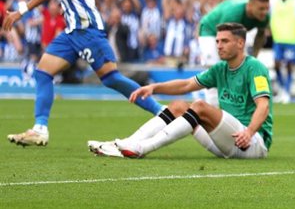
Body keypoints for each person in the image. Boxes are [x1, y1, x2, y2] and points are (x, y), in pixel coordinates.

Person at [3, 0, 163, 147]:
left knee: (111, 78)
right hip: (73, 31)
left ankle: (162, 112)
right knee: (43, 72)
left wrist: (21, 11)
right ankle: (40, 128)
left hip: (86, 29)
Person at [88, 22, 273, 159]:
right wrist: (154, 87)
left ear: (240, 43)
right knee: (178, 107)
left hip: (252, 143)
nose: (218, 46)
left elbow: (263, 106)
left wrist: (248, 132)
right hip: (225, 141)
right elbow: (186, 85)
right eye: (217, 41)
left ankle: (142, 148)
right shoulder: (220, 69)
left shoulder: (254, 68)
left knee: (200, 106)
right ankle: (124, 145)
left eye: (225, 41)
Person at [196, 0, 270, 105]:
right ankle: (211, 112)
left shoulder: (264, 18)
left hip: (233, 36)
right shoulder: (233, 14)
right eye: (261, 9)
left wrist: (254, 57)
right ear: (250, 6)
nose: (264, 12)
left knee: (240, 68)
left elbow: (260, 36)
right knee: (215, 72)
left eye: (266, 8)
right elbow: (222, 37)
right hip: (209, 32)